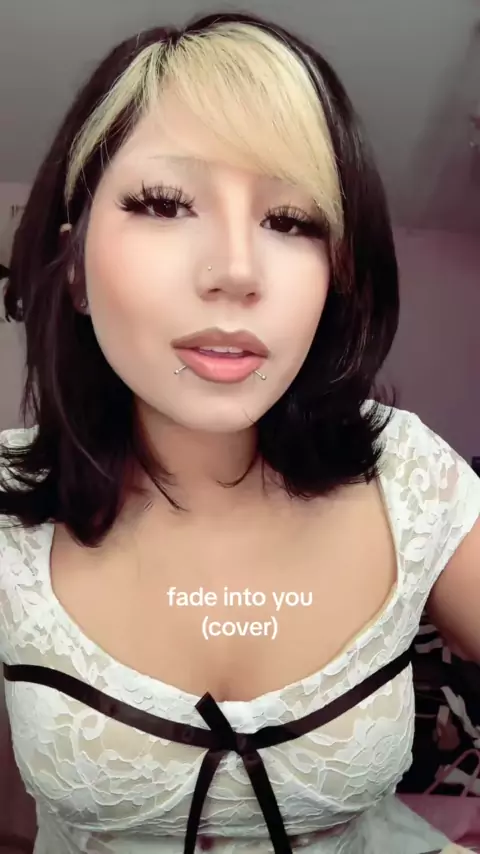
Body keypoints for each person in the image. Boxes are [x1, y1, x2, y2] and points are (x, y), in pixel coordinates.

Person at [0, 10, 479, 854]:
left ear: (337, 275)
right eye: (163, 203)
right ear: (73, 271)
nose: (235, 271)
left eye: (292, 221)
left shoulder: (409, 475)